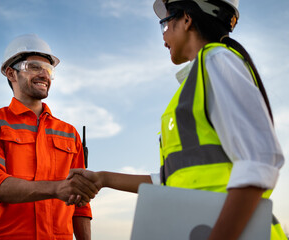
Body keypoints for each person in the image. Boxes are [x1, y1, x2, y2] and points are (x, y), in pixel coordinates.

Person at [68, 0, 287, 239]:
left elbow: (259, 161)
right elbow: (173, 181)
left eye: (164, 25)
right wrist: (104, 178)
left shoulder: (217, 62)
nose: (163, 39)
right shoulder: (200, 77)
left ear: (186, 19)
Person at [0, 34, 98, 240]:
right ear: (11, 74)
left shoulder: (69, 133)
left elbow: (81, 205)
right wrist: (57, 189)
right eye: (34, 67)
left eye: (49, 70)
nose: (44, 75)